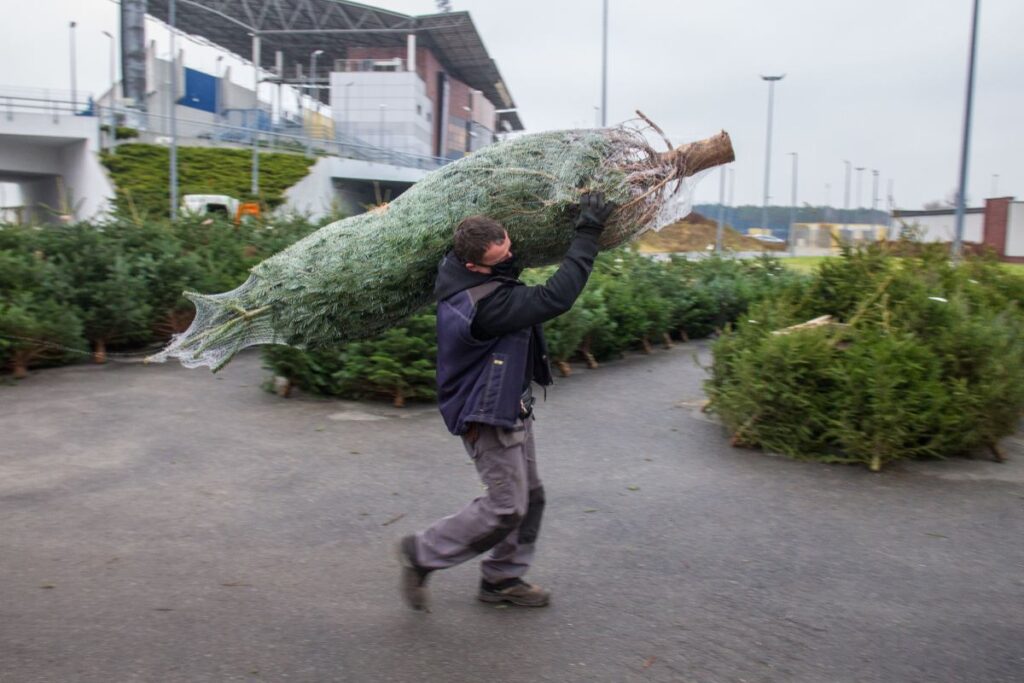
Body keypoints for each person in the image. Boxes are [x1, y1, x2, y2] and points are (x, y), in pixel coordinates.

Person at [398, 192, 615, 611]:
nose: (512, 257)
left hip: (509, 403)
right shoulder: (485, 306)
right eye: (502, 257)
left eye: (509, 247)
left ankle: (502, 578)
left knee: (530, 497)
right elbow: (555, 297)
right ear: (474, 265)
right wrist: (588, 231)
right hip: (488, 415)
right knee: (506, 507)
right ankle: (421, 553)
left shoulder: (466, 270)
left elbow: (510, 264)